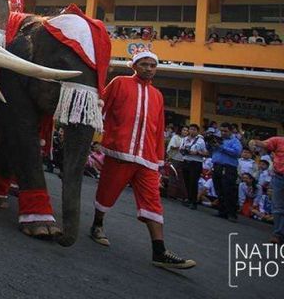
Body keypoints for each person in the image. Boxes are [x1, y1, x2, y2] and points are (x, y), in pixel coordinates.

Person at [89, 51, 196, 269]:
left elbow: (158, 131)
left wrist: (158, 161)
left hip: (147, 159)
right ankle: (97, 225)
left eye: (153, 65)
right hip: (119, 152)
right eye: (144, 64)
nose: (149, 68)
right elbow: (100, 108)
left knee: (153, 202)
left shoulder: (158, 95)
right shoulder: (119, 83)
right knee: (107, 192)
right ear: (134, 66)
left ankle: (159, 251)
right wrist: (97, 139)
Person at [249, 137, 284, 244]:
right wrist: (253, 142)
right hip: (279, 177)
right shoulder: (278, 140)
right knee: (278, 207)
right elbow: (263, 144)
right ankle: (277, 234)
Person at [210, 122, 242, 221]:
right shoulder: (218, 139)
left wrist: (221, 147)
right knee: (218, 188)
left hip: (228, 168)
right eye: (222, 131)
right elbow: (211, 151)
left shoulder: (235, 141)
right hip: (217, 166)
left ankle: (232, 214)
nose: (223, 133)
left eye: (225, 131)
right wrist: (210, 144)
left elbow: (237, 152)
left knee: (228, 190)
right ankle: (222, 211)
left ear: (231, 131)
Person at [179, 124, 208, 210]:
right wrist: (184, 151)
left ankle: (194, 202)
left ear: (197, 131)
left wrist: (197, 153)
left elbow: (206, 153)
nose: (192, 131)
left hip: (195, 163)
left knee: (193, 182)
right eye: (191, 129)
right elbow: (181, 149)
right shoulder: (185, 139)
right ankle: (189, 198)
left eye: (194, 130)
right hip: (186, 161)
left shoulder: (200, 140)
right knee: (187, 181)